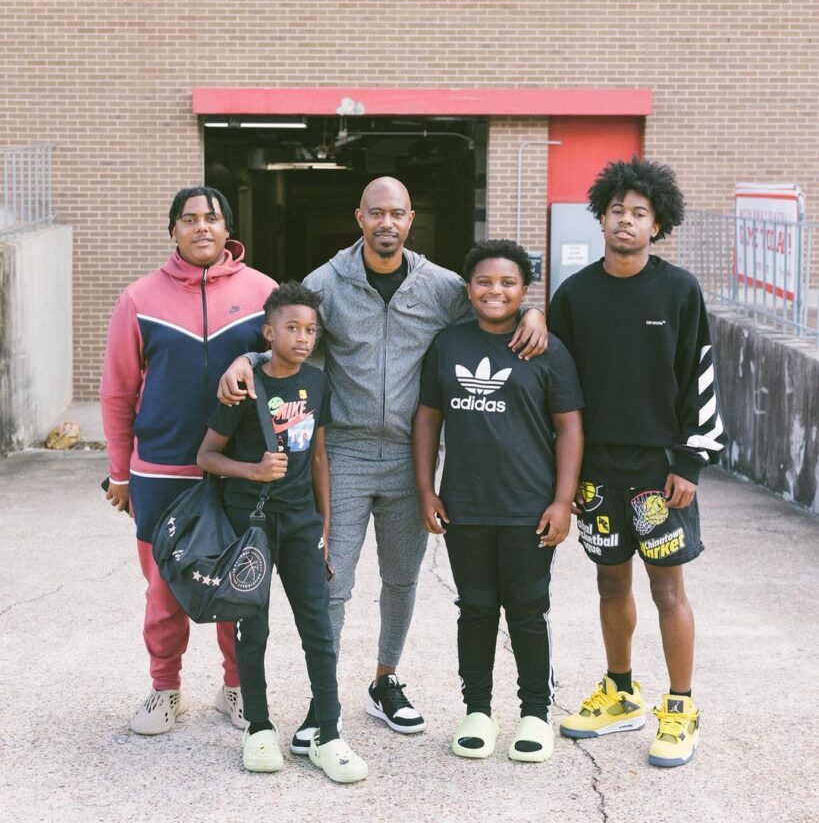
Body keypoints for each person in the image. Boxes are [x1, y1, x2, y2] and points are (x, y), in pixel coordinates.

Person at [217, 176, 548, 751]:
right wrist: (244, 359)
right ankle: (326, 704)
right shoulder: (329, 282)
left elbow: (493, 304)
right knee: (333, 582)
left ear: (411, 218)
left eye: (397, 213)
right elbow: (285, 332)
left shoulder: (441, 286)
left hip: (410, 455)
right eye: (376, 214)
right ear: (359, 218)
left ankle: (386, 680)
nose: (387, 224)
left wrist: (535, 312)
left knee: (401, 577)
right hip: (342, 452)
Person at [547, 157, 726, 768]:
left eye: (639, 213)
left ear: (658, 224)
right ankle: (621, 691)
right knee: (609, 578)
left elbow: (699, 378)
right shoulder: (574, 294)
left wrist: (690, 463)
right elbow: (557, 387)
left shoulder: (679, 290)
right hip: (597, 470)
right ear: (601, 217)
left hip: (660, 470)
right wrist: (565, 476)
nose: (626, 221)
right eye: (617, 211)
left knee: (668, 585)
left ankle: (680, 707)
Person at [100, 186, 274, 735]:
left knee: (237, 585)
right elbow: (117, 392)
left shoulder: (263, 293)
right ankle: (164, 689)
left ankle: (237, 687)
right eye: (189, 219)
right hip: (160, 471)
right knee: (164, 590)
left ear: (228, 231)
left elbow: (289, 364)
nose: (202, 227)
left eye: (212, 218)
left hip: (236, 470)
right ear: (173, 230)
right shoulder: (139, 298)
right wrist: (122, 473)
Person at [413, 239, 584, 762]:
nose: (495, 290)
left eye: (508, 282)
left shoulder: (545, 348)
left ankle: (535, 713)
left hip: (529, 507)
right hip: (466, 505)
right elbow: (427, 418)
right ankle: (478, 712)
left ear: (524, 290)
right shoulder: (448, 345)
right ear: (468, 289)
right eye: (484, 281)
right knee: (476, 609)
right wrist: (426, 488)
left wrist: (562, 499)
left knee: (529, 611)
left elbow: (570, 426)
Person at [197, 282, 368, 783]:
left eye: (311, 329)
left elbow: (318, 457)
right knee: (255, 627)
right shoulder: (245, 383)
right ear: (268, 332)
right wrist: (253, 471)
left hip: (301, 523)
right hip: (247, 523)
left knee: (317, 624)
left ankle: (329, 733)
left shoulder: (316, 384)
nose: (303, 337)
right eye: (292, 328)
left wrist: (326, 526)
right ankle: (260, 728)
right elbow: (206, 456)